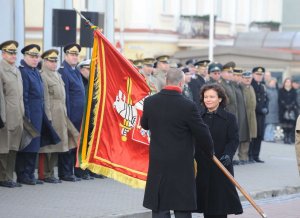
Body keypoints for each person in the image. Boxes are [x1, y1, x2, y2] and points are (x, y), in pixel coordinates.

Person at [141, 68, 214, 218]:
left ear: (166, 81)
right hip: (181, 163)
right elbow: (203, 132)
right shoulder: (188, 105)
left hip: (158, 160)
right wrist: (209, 152)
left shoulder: (150, 102)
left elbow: (145, 125)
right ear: (181, 83)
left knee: (160, 205)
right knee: (182, 206)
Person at [195, 83, 243, 218]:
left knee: (221, 205)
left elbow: (233, 140)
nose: (208, 100)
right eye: (205, 97)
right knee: (206, 205)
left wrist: (228, 154)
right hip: (203, 166)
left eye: (211, 97)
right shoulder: (198, 117)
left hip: (221, 165)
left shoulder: (229, 118)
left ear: (220, 99)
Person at [38, 49, 79, 183]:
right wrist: (48, 117)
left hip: (61, 112)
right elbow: (45, 99)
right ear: (45, 61)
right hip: (52, 113)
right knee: (49, 146)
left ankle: (51, 174)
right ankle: (45, 174)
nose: (54, 63)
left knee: (58, 144)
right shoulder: (43, 75)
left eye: (55, 60)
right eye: (51, 61)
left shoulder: (57, 75)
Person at [15, 44, 45, 185]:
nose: (34, 59)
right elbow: (24, 96)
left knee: (34, 145)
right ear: (25, 56)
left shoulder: (35, 71)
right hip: (30, 114)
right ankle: (23, 175)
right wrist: (27, 116)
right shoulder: (23, 71)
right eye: (32, 57)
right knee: (26, 145)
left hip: (38, 113)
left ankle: (30, 173)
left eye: (36, 57)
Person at [58, 43, 85, 181]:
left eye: (76, 55)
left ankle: (72, 171)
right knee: (68, 145)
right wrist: (67, 116)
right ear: (66, 55)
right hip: (70, 115)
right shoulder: (64, 71)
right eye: (72, 54)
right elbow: (66, 95)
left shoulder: (75, 71)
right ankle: (65, 173)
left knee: (75, 145)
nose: (75, 57)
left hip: (79, 115)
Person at [0, 40, 24, 188]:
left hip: (17, 115)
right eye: (10, 52)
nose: (13, 55)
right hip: (6, 115)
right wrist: (2, 117)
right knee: (3, 148)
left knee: (13, 148)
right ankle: (3, 178)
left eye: (15, 53)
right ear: (3, 53)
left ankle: (9, 177)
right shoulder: (1, 69)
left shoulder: (16, 70)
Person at [249, 67, 269, 163]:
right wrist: (260, 109)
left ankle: (256, 155)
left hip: (262, 115)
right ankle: (251, 155)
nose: (259, 76)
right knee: (254, 135)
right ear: (253, 74)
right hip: (255, 114)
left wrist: (266, 108)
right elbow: (252, 101)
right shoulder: (251, 85)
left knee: (260, 135)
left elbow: (266, 99)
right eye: (257, 74)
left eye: (261, 75)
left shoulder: (262, 85)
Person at [241, 71, 257, 163]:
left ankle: (246, 156)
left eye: (249, 78)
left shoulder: (251, 87)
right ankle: (242, 156)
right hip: (244, 114)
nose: (247, 80)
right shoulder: (241, 88)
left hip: (252, 115)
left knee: (250, 136)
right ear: (242, 78)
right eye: (246, 78)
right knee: (244, 135)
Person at [278, 77, 298, 144]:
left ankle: (289, 137)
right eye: (286, 82)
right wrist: (285, 106)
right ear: (284, 83)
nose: (288, 83)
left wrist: (290, 106)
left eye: (289, 82)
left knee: (291, 124)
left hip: (291, 110)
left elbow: (295, 100)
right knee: (284, 124)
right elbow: (280, 99)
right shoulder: (281, 90)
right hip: (283, 109)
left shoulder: (294, 91)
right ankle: (285, 137)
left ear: (291, 83)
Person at [264, 78, 279, 142]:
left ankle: (271, 137)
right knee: (269, 125)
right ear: (269, 83)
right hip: (269, 110)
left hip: (275, 110)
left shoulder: (276, 91)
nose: (273, 84)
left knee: (273, 125)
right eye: (272, 82)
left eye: (274, 83)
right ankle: (267, 137)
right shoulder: (266, 90)